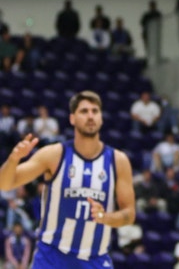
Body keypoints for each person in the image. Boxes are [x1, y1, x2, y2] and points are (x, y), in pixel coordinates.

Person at [0, 90, 136, 267]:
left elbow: (129, 214)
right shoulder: (54, 154)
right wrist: (13, 159)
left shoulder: (118, 161)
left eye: (95, 111)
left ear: (101, 118)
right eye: (84, 111)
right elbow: (5, 183)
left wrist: (105, 217)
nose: (90, 116)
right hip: (52, 257)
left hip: (94, 259)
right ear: (72, 118)